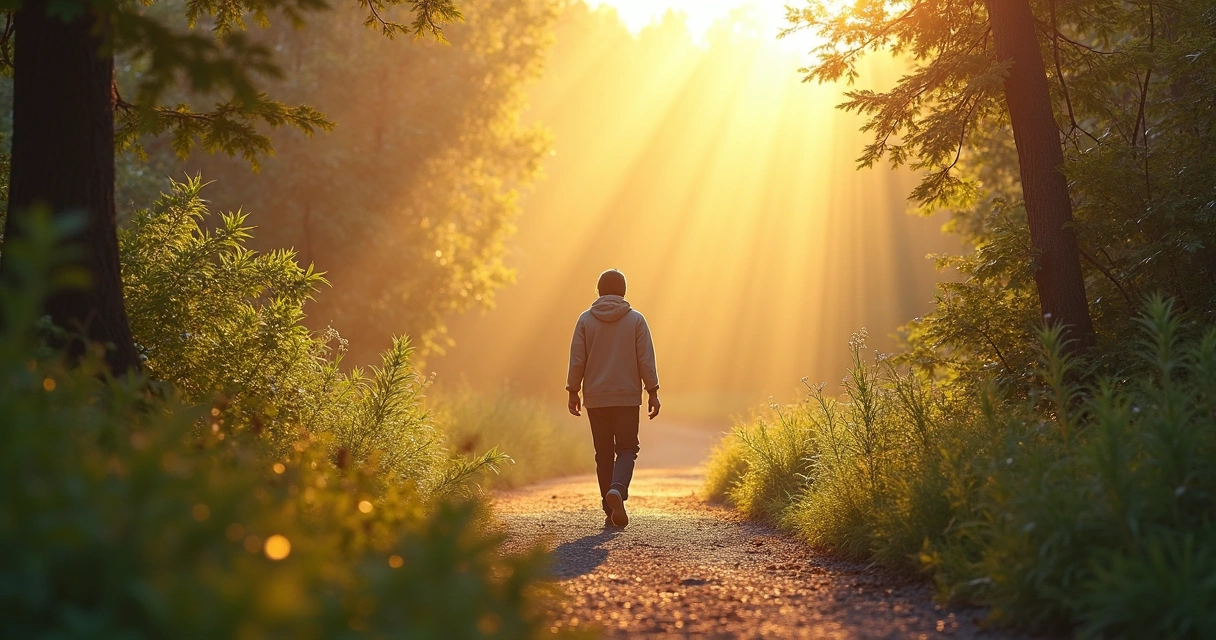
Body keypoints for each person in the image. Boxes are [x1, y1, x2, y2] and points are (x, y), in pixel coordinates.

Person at [566, 269, 660, 528]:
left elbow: (577, 359)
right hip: (627, 397)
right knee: (627, 449)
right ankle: (617, 489)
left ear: (598, 291)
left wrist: (573, 390)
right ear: (624, 292)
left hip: (596, 398)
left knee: (604, 453)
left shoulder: (585, 320)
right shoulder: (636, 320)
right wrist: (652, 391)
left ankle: (609, 511)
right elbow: (645, 359)